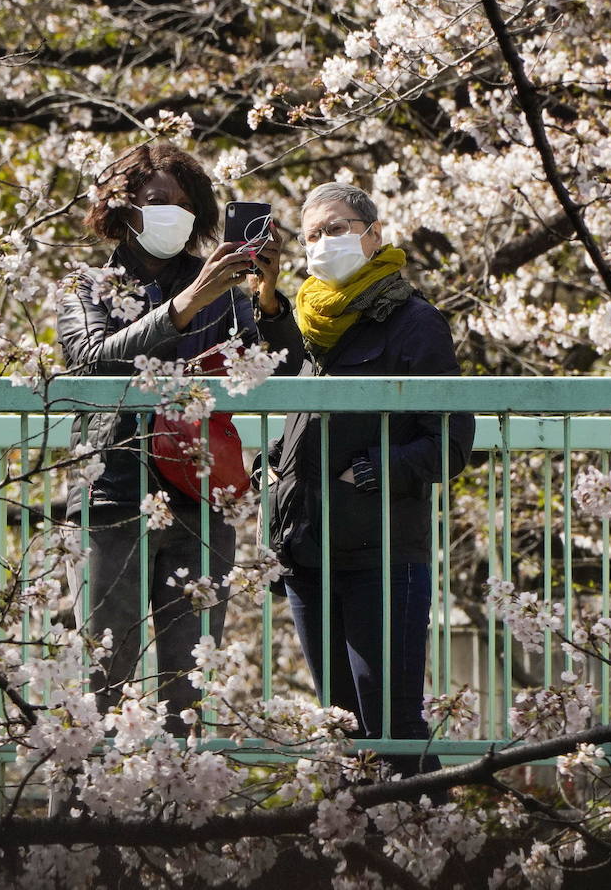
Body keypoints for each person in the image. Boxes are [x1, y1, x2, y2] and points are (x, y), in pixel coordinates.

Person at [57, 142, 304, 732]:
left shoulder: (217, 284)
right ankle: (73, 819)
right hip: (112, 494)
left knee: (186, 689)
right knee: (98, 674)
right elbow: (92, 362)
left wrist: (266, 300)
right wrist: (189, 304)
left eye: (187, 205)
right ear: (124, 208)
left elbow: (281, 367)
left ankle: (171, 816)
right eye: (159, 201)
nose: (175, 214)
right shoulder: (88, 284)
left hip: (199, 494)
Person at [265, 181, 474, 776]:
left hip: (382, 553)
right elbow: (310, 421)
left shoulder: (414, 322)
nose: (324, 243)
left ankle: (427, 837)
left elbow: (450, 442)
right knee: (340, 726)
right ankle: (357, 853)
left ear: (372, 235)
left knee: (393, 723)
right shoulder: (310, 326)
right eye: (312, 235)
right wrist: (275, 462)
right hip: (307, 553)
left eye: (336, 228)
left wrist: (373, 471)